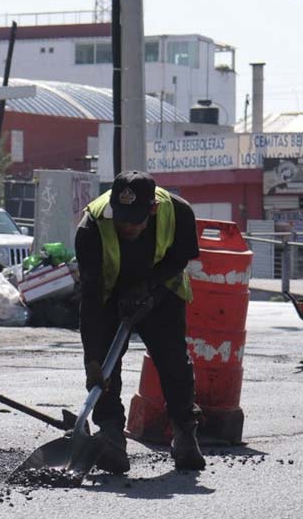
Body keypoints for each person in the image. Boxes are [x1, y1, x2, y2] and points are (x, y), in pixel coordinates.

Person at [74, 170, 205, 473]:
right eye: (121, 218)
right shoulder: (91, 227)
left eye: (135, 219)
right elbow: (91, 294)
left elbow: (180, 258)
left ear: (153, 209)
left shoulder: (179, 212)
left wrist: (148, 286)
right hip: (109, 294)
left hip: (161, 290)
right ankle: (110, 436)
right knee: (106, 365)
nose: (127, 226)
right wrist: (92, 358)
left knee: (173, 361)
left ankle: (185, 434)